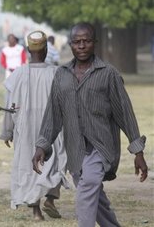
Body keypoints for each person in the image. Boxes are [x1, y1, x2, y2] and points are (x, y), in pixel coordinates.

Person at [32, 22, 148, 227]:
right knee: (94, 196)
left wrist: (137, 152)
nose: (82, 46)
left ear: (94, 43)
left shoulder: (108, 74)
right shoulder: (62, 75)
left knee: (88, 187)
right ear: (71, 45)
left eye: (86, 41)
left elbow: (125, 114)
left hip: (101, 147)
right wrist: (42, 145)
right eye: (77, 42)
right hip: (75, 149)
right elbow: (53, 114)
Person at [0, 30, 68, 221]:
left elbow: (9, 106)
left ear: (29, 49)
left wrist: (7, 132)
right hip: (52, 128)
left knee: (31, 165)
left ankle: (36, 211)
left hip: (25, 127)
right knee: (55, 161)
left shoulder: (18, 74)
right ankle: (51, 198)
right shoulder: (57, 73)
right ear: (46, 49)